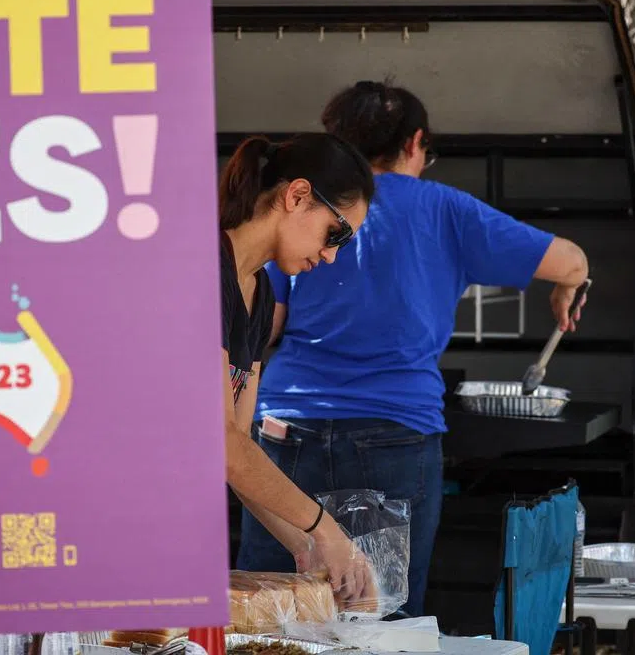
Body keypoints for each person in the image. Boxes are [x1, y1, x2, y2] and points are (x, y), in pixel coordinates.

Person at [235, 81, 590, 616]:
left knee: (270, 614)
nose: (330, 253)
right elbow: (571, 261)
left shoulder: (300, 220)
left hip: (285, 431)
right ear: (415, 142)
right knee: (383, 618)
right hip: (395, 436)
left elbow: (264, 327)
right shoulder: (447, 209)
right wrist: (569, 284)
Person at [218, 132, 376, 601]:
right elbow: (219, 445)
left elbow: (240, 446)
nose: (331, 256)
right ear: (297, 195)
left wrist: (307, 547)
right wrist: (326, 530)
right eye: (337, 233)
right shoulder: (202, 270)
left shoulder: (259, 293)